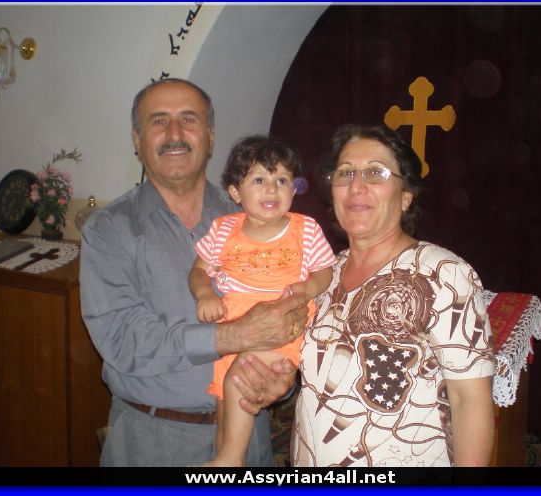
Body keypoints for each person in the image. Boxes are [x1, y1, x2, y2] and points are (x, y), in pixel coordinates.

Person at [79, 78, 308, 467]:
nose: (174, 134)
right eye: (158, 121)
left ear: (210, 136)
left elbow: (293, 312)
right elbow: (121, 338)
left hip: (248, 438)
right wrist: (232, 336)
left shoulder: (260, 218)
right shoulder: (109, 230)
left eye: (188, 119)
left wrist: (283, 378)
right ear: (137, 139)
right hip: (152, 441)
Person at [288, 123, 496, 467]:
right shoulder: (324, 273)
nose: (356, 186)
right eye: (345, 173)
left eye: (375, 172)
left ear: (405, 196)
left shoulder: (443, 273)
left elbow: (468, 400)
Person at [189, 135, 335, 466]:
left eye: (281, 180)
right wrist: (205, 293)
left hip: (282, 325)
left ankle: (230, 459)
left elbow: (325, 272)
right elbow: (198, 271)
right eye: (259, 180)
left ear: (293, 189)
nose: (271, 189)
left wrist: (307, 289)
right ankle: (225, 463)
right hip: (232, 327)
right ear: (235, 192)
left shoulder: (305, 230)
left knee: (241, 378)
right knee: (225, 404)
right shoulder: (223, 230)